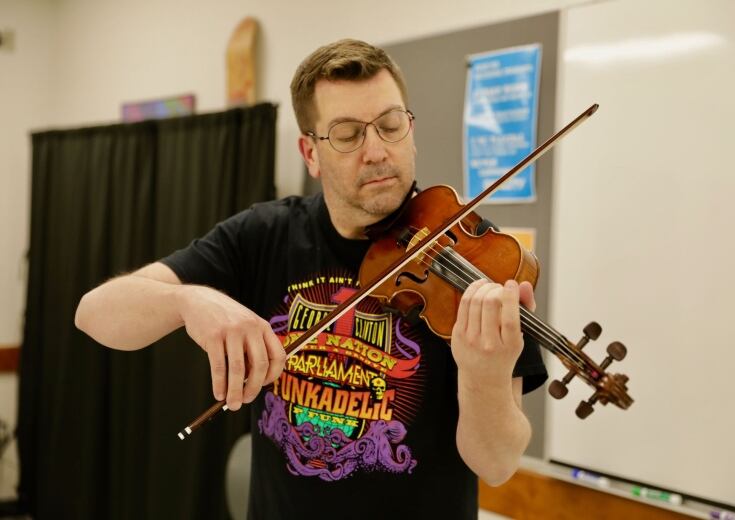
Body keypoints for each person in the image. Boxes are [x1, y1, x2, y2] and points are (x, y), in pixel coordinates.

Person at [75, 38, 547, 519]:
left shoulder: (475, 260)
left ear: (411, 129)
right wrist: (188, 302)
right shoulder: (263, 235)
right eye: (347, 134)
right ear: (310, 153)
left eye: (390, 126)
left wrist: (484, 377)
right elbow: (94, 313)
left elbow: (497, 465)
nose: (377, 151)